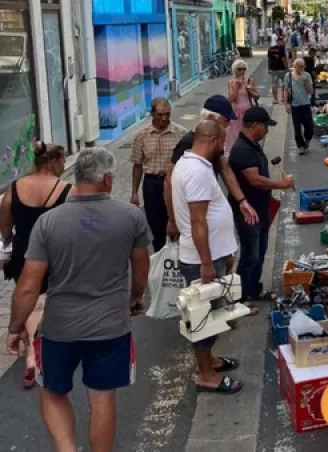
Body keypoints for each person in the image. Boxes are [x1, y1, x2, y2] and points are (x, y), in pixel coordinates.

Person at [6, 148, 150, 451]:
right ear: (108, 180)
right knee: (102, 397)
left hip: (59, 329)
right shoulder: (131, 217)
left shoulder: (48, 223)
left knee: (53, 393)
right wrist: (136, 297)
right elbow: (140, 268)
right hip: (111, 326)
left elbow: (28, 286)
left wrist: (15, 327)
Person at [172, 121, 243, 395]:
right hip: (202, 258)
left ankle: (209, 361)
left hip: (209, 254)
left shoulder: (189, 165)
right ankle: (205, 374)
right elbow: (198, 220)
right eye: (222, 142)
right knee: (201, 318)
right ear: (212, 140)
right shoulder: (196, 172)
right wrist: (206, 262)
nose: (223, 147)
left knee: (211, 315)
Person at [0, 142, 71, 389]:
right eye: (62, 161)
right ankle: (48, 344)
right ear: (53, 162)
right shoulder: (66, 190)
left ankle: (31, 350)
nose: (64, 166)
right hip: (56, 253)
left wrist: (8, 241)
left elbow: (5, 226)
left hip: (24, 252)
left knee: (30, 297)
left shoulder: (16, 188)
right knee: (48, 299)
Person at [164, 95, 258, 240]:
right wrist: (172, 219)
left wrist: (242, 200)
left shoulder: (216, 143)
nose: (228, 125)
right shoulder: (188, 142)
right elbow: (169, 180)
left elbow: (225, 170)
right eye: (226, 120)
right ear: (210, 118)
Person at [228, 107, 295, 305]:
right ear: (255, 125)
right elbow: (254, 180)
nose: (267, 130)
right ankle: (241, 295)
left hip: (260, 209)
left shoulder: (252, 145)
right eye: (266, 126)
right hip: (249, 212)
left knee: (260, 251)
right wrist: (280, 184)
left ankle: (253, 289)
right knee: (250, 254)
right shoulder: (241, 150)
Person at [130, 98, 186, 252]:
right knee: (156, 226)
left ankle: (179, 259)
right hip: (152, 185)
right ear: (152, 114)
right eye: (160, 115)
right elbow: (137, 165)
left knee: (178, 223)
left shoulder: (181, 133)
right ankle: (160, 259)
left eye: (167, 114)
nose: (164, 119)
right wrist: (134, 192)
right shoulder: (141, 136)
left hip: (174, 183)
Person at [225, 60, 260, 155]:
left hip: (247, 111)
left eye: (244, 69)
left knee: (248, 133)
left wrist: (251, 92)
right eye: (239, 69)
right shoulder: (231, 82)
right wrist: (237, 87)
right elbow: (230, 99)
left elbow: (257, 96)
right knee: (235, 134)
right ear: (235, 70)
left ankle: (248, 151)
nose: (242, 71)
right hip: (236, 113)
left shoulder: (249, 80)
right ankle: (236, 152)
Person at [283, 58, 315, 155]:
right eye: (300, 66)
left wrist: (306, 82)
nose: (302, 68)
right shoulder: (288, 76)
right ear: (295, 66)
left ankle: (307, 139)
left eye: (303, 66)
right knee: (297, 130)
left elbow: (311, 91)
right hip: (295, 106)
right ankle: (301, 146)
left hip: (305, 104)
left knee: (309, 127)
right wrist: (286, 104)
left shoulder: (307, 76)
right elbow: (285, 90)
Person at [267, 35, 289, 104]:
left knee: (274, 83)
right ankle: (283, 98)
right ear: (281, 42)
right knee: (284, 83)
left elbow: (269, 59)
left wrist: (269, 68)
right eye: (282, 41)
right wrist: (287, 68)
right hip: (282, 69)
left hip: (273, 69)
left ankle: (275, 99)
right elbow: (284, 60)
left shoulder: (270, 49)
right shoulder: (282, 49)